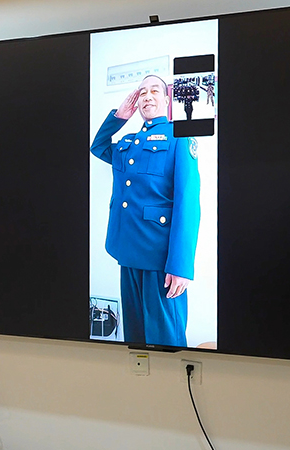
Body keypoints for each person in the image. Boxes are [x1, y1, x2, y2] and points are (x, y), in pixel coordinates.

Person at [89, 74, 200, 347]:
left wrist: (181, 266)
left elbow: (188, 203)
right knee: (136, 341)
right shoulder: (128, 143)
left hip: (160, 261)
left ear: (166, 99)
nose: (147, 96)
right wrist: (119, 117)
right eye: (141, 93)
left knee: (166, 341)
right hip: (127, 254)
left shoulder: (179, 137)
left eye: (154, 91)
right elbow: (98, 147)